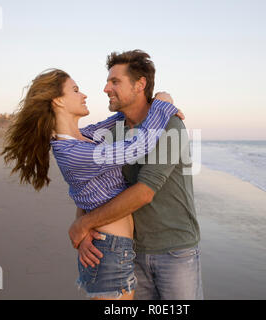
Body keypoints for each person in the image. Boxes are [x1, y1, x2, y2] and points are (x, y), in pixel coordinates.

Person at [1, 68, 181, 300]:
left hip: (113, 249)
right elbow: (137, 147)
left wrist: (155, 102)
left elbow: (120, 118)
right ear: (57, 100)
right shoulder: (72, 151)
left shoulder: (84, 136)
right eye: (75, 90)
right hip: (108, 251)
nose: (84, 95)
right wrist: (162, 106)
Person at [69, 50, 203, 300]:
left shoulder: (170, 124)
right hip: (129, 250)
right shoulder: (113, 128)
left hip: (175, 250)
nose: (106, 88)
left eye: (115, 81)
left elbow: (145, 191)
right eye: (108, 81)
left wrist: (83, 224)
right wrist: (85, 229)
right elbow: (91, 183)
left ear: (140, 84)